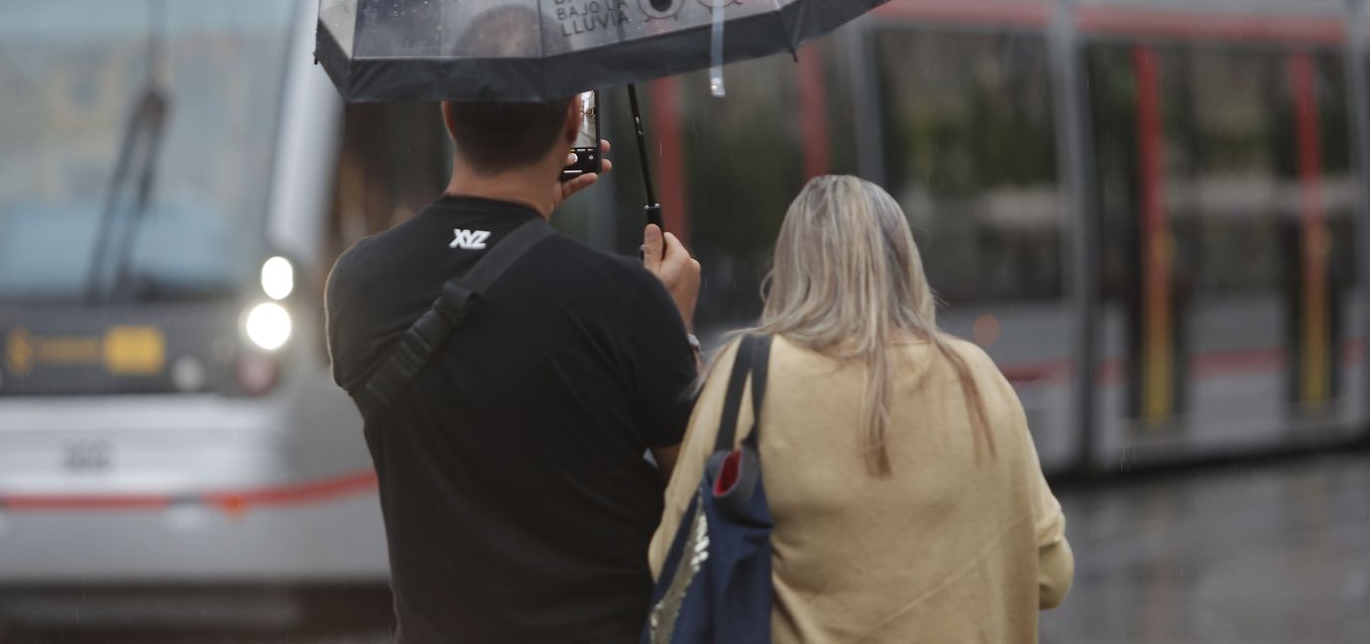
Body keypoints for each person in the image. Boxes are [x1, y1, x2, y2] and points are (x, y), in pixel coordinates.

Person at [325, 90, 703, 644]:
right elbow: (696, 493)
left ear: (449, 113)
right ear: (574, 118)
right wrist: (676, 328)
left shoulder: (358, 283)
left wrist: (515, 221)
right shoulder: (628, 300)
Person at [650, 175, 1073, 643]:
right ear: (906, 263)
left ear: (790, 270)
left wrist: (669, 327)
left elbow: (671, 559)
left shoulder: (753, 375)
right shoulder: (977, 376)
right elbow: (1050, 574)